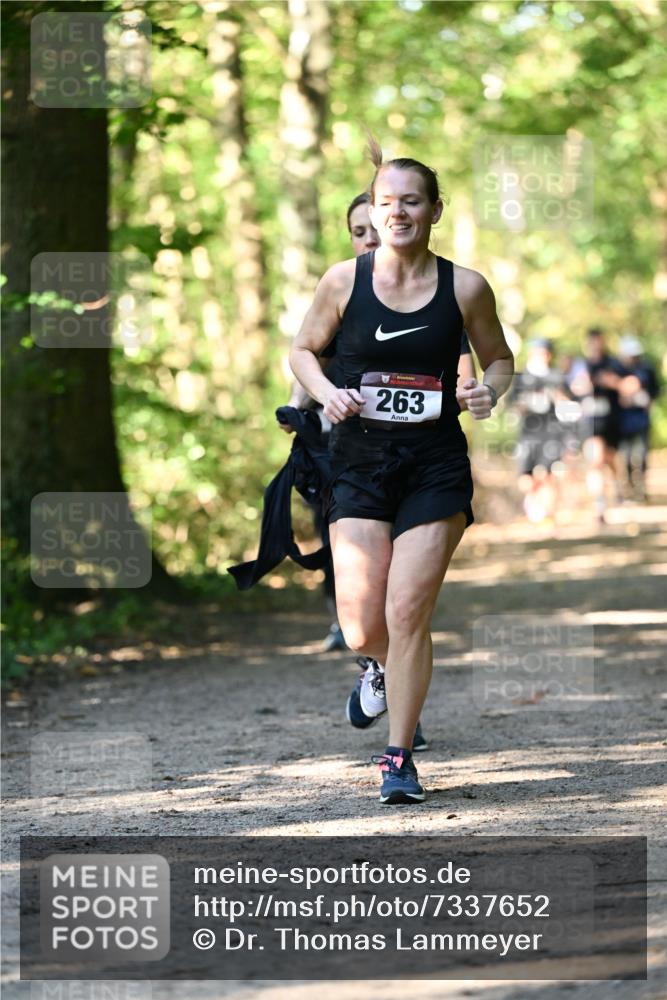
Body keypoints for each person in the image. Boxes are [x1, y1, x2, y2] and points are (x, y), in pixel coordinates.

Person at [289, 141, 513, 804]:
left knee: (408, 608)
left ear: (434, 210)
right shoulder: (342, 281)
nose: (397, 213)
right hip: (358, 461)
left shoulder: (464, 286)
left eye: (411, 201)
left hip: (433, 463)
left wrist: (487, 392)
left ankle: (398, 757)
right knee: (362, 625)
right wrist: (325, 392)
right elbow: (302, 349)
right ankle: (379, 669)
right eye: (386, 202)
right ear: (373, 209)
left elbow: (499, 359)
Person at [567, 328, 625, 524]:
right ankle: (599, 505)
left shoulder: (613, 363)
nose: (595, 345)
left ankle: (617, 485)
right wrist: (582, 385)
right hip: (589, 421)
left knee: (609, 458)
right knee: (595, 459)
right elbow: (572, 388)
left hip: (610, 420)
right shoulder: (581, 365)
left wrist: (610, 381)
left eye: (598, 341)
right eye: (592, 342)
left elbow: (627, 386)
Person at [511, 339, 566, 522]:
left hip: (551, 432)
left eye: (544, 352)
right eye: (537, 352)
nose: (540, 356)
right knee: (526, 480)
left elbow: (566, 401)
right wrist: (526, 403)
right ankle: (533, 504)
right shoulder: (520, 378)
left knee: (547, 474)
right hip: (528, 433)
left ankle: (548, 515)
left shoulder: (556, 376)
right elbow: (512, 404)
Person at [617, 335, 660, 501]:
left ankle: (640, 487)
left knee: (641, 454)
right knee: (626, 455)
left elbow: (655, 391)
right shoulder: (618, 369)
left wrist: (648, 400)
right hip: (623, 420)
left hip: (641, 419)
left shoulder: (646, 369)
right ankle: (629, 487)